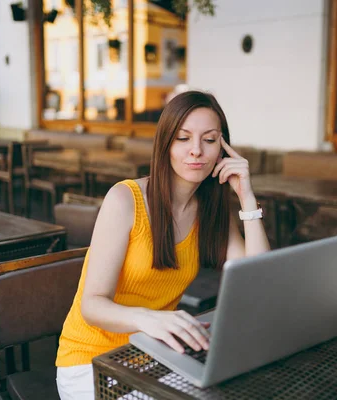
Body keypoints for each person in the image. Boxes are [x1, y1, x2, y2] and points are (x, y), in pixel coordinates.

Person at [55, 90, 271, 399]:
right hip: (91, 361)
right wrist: (148, 318)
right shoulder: (125, 199)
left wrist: (247, 197)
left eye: (209, 140)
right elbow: (92, 305)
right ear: (165, 145)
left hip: (157, 354)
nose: (196, 151)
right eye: (183, 138)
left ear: (223, 150)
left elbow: (259, 281)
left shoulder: (212, 211)